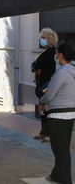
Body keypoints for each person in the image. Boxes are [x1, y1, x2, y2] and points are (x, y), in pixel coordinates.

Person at [39, 43, 75, 184]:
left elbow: (49, 96)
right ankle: (56, 175)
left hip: (57, 115)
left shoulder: (61, 73)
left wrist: (41, 101)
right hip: (71, 114)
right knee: (62, 147)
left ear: (60, 55)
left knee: (60, 151)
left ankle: (66, 180)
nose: (55, 56)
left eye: (57, 53)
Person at [33, 28, 59, 142]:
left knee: (45, 110)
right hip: (43, 84)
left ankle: (48, 134)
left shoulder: (50, 53)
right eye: (41, 37)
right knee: (43, 110)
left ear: (49, 40)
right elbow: (34, 66)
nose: (41, 40)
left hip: (46, 86)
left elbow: (36, 65)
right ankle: (44, 133)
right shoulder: (45, 52)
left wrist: (36, 68)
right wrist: (36, 68)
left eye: (43, 38)